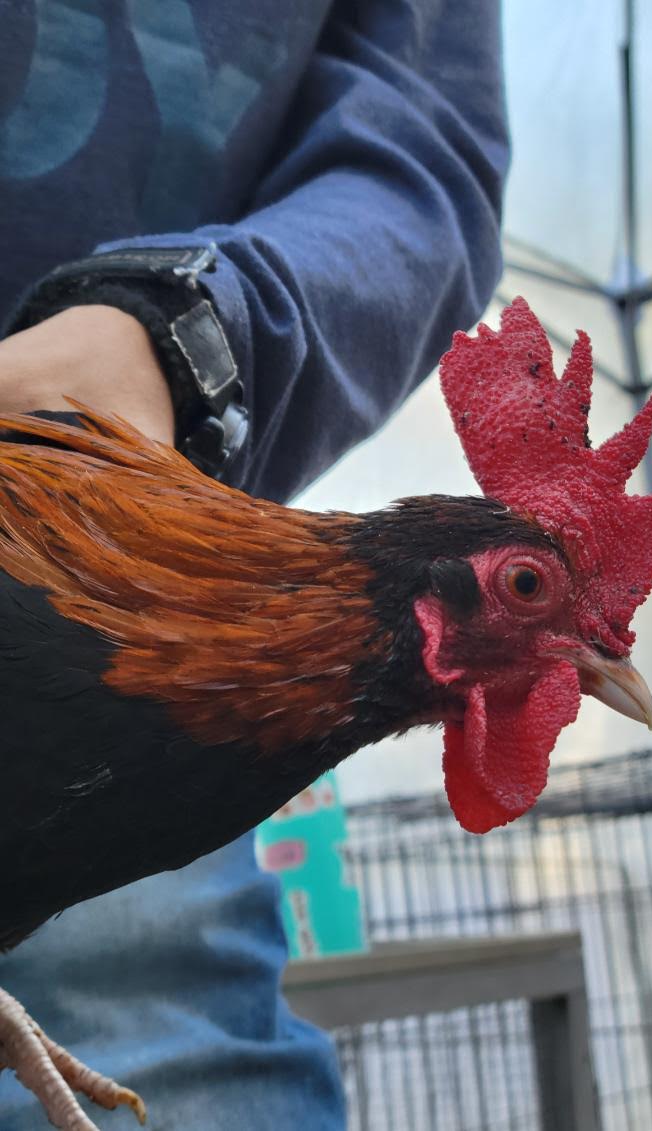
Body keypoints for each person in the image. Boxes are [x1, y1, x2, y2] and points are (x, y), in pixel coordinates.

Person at [0, 3, 508, 1127]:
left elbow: (423, 155)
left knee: (171, 1069)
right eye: (522, 591)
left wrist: (183, 329)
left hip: (132, 580)